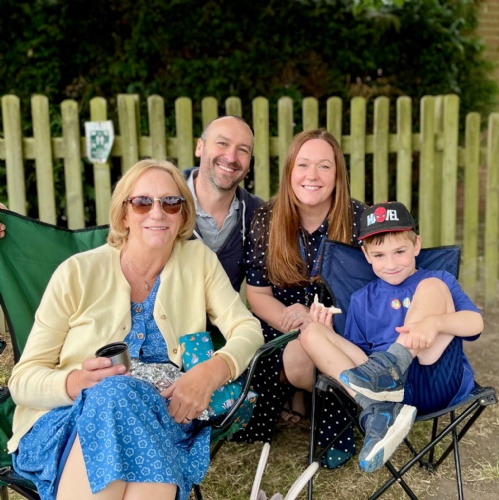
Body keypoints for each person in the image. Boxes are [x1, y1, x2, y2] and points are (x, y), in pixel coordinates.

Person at [7, 159, 264, 500]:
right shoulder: (77, 273)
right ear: (124, 215)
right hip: (70, 421)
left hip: (163, 418)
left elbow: (248, 329)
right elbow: (22, 381)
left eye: (170, 203)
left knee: (122, 399)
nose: (157, 213)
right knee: (115, 392)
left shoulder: (197, 261)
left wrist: (210, 372)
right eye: (142, 202)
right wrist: (76, 382)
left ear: (182, 215)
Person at [299, 201, 483, 472]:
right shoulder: (361, 300)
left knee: (431, 286)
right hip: (385, 393)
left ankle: (395, 363)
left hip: (435, 379)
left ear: (416, 245)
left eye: (400, 252)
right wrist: (328, 334)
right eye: (379, 255)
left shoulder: (439, 279)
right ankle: (378, 411)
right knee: (310, 332)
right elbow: (358, 361)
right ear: (366, 254)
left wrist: (435, 323)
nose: (391, 264)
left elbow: (475, 324)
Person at [234, 128, 366, 468]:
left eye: (324, 166)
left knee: (310, 354)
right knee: (288, 358)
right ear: (290, 170)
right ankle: (300, 394)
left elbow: (371, 295)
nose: (312, 175)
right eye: (303, 164)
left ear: (338, 174)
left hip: (340, 327)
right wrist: (292, 321)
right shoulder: (268, 217)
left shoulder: (359, 220)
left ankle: (324, 413)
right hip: (282, 320)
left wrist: (320, 323)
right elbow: (257, 294)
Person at [185, 115, 264, 292]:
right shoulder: (165, 202)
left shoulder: (256, 213)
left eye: (242, 150)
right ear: (200, 147)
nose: (231, 157)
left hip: (227, 311)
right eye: (222, 143)